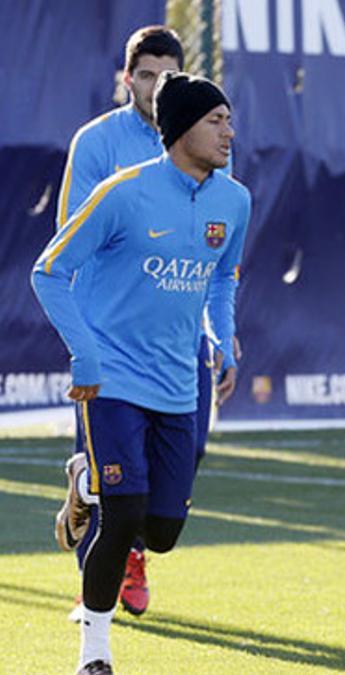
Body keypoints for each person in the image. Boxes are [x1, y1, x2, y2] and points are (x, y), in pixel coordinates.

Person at [32, 72, 249, 675]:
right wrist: (86, 353)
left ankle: (85, 483)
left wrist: (221, 337)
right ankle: (94, 655)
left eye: (230, 119)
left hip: (179, 383)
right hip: (112, 381)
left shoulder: (235, 200)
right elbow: (48, 271)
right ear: (181, 129)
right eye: (216, 120)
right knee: (123, 514)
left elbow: (223, 277)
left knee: (161, 532)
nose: (229, 131)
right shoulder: (122, 194)